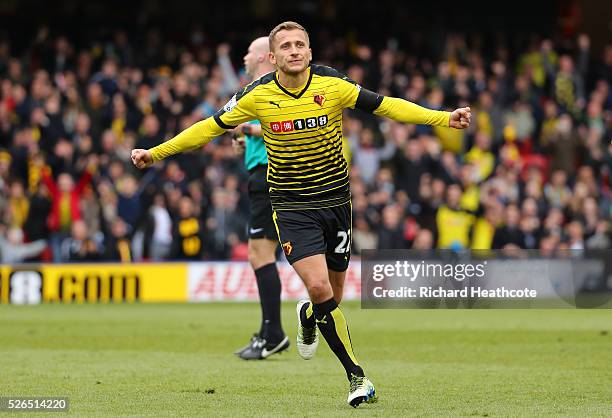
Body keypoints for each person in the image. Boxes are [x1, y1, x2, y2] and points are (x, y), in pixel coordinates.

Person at [131, 21, 471, 407]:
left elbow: (388, 106)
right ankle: (357, 377)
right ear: (272, 58)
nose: (294, 51)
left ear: (309, 52)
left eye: (300, 45)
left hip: (337, 203)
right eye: (286, 46)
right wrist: (155, 153)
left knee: (332, 297)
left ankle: (309, 315)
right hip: (291, 207)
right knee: (321, 287)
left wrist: (443, 117)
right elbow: (207, 128)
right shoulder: (256, 95)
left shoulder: (333, 85)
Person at [230, 37, 289, 360]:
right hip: (261, 173)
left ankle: (273, 333)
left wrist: (247, 131)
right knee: (260, 253)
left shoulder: (272, 88)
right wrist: (243, 140)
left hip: (270, 174)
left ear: (265, 56)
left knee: (261, 253)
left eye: (249, 51)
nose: (244, 55)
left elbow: (284, 126)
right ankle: (270, 331)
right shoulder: (254, 91)